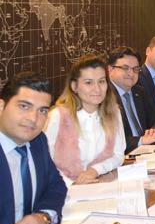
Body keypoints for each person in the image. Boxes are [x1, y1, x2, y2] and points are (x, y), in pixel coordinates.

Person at [0, 72, 66, 224]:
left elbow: (56, 186)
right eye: (24, 106)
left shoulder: (37, 141)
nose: (33, 119)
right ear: (1, 106)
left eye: (42, 111)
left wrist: (42, 217)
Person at [46, 55, 126, 184]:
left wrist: (95, 170)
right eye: (88, 82)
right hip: (64, 189)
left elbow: (118, 155)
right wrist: (72, 184)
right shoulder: (57, 116)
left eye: (101, 81)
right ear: (74, 86)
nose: (97, 89)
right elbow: (45, 162)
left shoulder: (113, 112)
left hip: (101, 185)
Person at [107, 47, 155, 154]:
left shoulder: (139, 92)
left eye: (135, 69)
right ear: (110, 69)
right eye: (125, 68)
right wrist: (141, 141)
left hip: (147, 152)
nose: (131, 73)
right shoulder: (104, 98)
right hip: (123, 157)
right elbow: (110, 141)